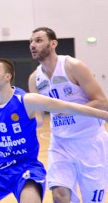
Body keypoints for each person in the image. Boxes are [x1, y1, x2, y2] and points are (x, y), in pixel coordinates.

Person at [0, 58, 108, 203]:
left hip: (26, 169)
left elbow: (70, 107)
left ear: (7, 76)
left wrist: (103, 114)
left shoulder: (26, 100)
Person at [28, 27, 108, 203]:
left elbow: (102, 102)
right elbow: (39, 118)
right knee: (59, 195)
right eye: (31, 41)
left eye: (39, 40)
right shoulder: (34, 78)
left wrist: (69, 108)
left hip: (90, 142)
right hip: (60, 143)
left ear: (53, 43)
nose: (33, 45)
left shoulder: (73, 66)